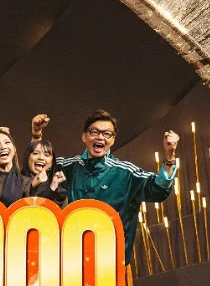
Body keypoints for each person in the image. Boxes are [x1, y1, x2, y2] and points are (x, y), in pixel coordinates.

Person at [54, 110, 179, 265]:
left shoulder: (125, 173)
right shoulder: (66, 166)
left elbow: (158, 189)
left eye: (107, 134)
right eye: (94, 132)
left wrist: (169, 157)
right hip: (69, 260)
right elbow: (36, 170)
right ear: (84, 136)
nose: (100, 137)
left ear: (113, 140)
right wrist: (36, 135)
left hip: (111, 262)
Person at [21, 138, 67, 204]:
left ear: (51, 163)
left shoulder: (59, 193)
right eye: (36, 153)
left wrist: (52, 187)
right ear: (27, 158)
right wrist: (32, 186)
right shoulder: (16, 180)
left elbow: (43, 209)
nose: (41, 158)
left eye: (46, 155)